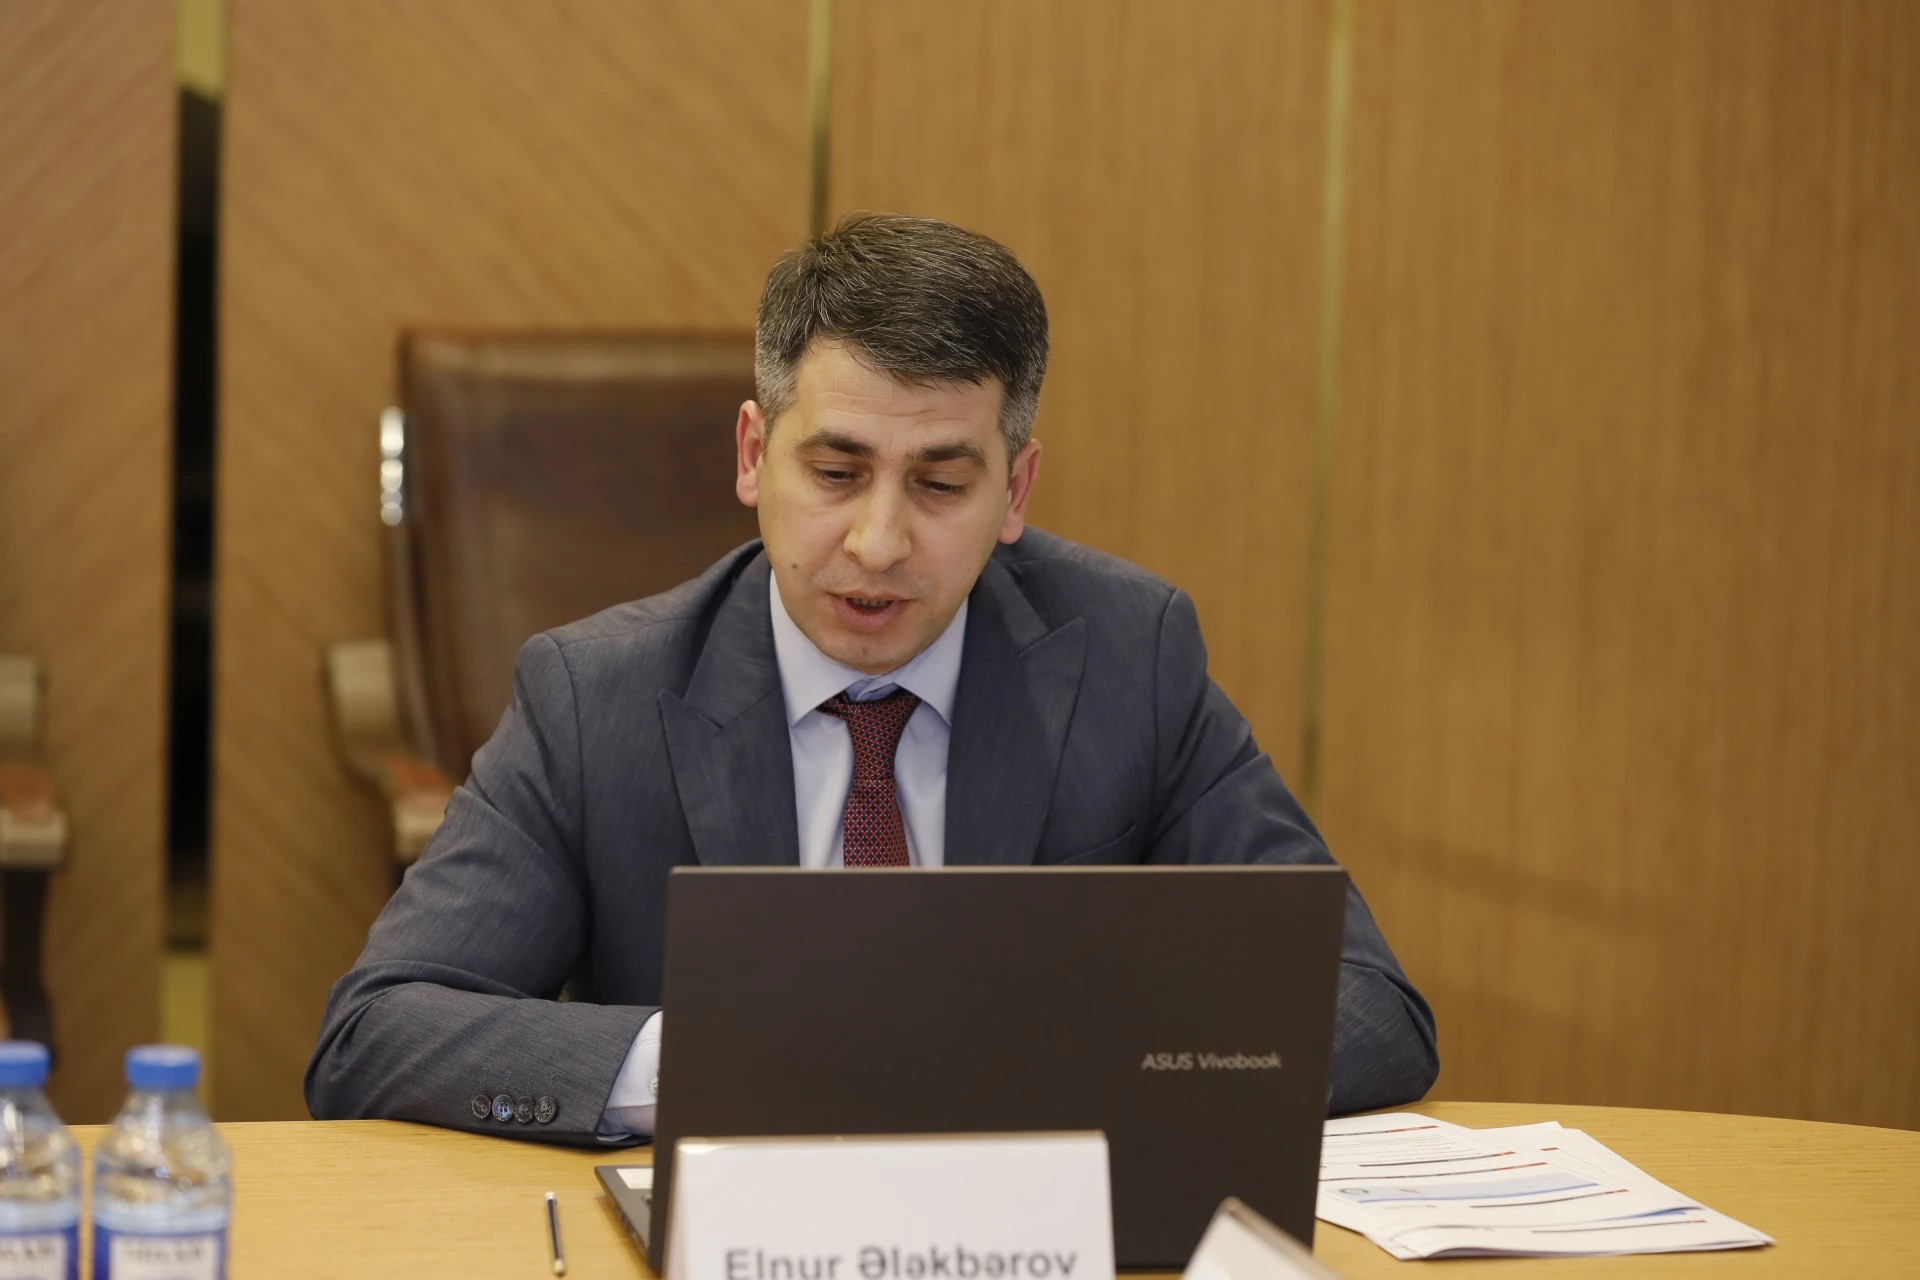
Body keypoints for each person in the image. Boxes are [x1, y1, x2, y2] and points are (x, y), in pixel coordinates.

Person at [306, 213, 1437, 1142]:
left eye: (941, 485)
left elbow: (1371, 1007)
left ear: (1015, 490)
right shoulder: (594, 697)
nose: (881, 542)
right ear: (754, 454)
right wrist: (719, 1063)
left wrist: (1059, 1062)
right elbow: (377, 1031)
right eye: (837, 471)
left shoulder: (1128, 658)